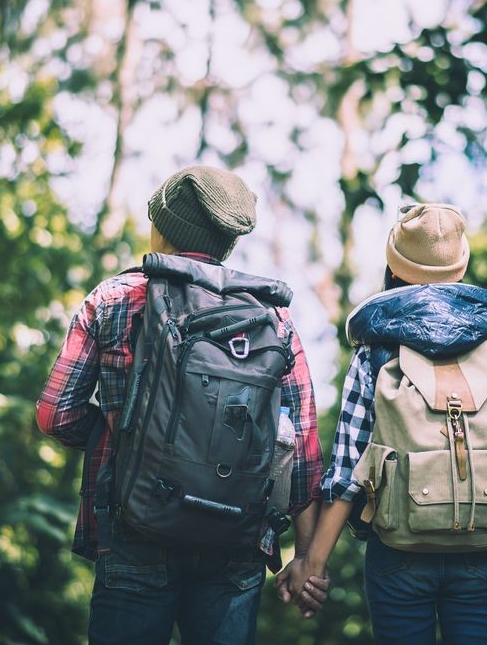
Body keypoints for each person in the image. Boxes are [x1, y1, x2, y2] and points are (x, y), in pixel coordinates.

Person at [36, 166, 327, 645]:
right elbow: (301, 451)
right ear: (228, 243)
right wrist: (308, 559)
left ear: (161, 227)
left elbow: (56, 414)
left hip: (136, 528)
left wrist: (120, 436)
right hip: (236, 539)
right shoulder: (273, 319)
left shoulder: (116, 297)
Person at [281, 203, 487, 644]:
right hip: (482, 555)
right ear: (462, 268)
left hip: (397, 553)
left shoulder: (374, 355)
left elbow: (349, 474)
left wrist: (313, 566)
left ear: (394, 269)